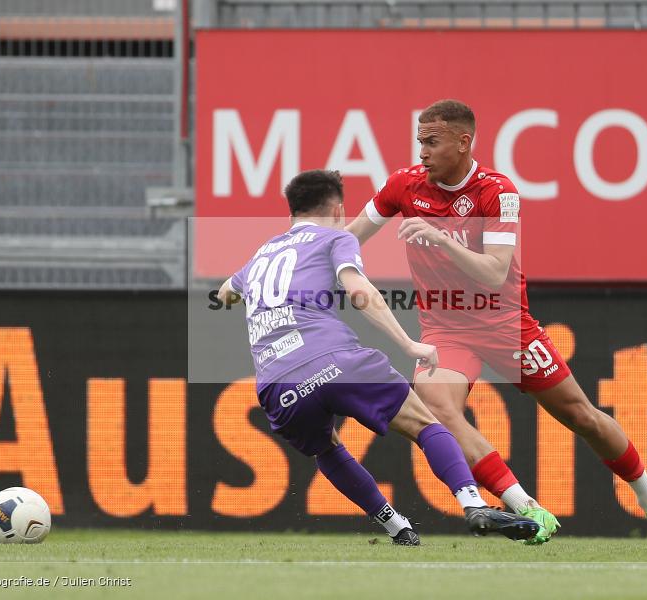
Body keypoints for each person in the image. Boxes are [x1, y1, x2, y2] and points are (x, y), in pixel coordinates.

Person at [345, 99, 647, 547]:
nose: (423, 152)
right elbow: (349, 237)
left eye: (432, 142)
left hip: (507, 327)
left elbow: (493, 271)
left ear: (463, 141)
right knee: (438, 410)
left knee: (581, 417)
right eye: (419, 142)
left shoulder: (497, 192)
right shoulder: (403, 186)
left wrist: (438, 238)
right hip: (447, 331)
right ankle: (526, 507)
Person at [217, 169, 539, 545]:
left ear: (292, 212)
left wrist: (240, 295)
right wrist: (409, 344)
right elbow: (359, 291)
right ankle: (472, 503)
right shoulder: (336, 237)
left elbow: (225, 292)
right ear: (338, 209)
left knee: (326, 448)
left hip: (276, 385)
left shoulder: (258, 257)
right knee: (425, 423)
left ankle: (396, 526)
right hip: (334, 360)